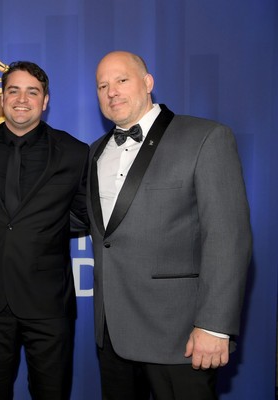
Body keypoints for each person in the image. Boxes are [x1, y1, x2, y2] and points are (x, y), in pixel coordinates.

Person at [88, 50, 252, 399]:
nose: (111, 91)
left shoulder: (205, 137)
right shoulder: (95, 151)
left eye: (121, 80)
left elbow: (228, 237)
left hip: (179, 337)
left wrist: (214, 327)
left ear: (148, 83)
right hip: (112, 335)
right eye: (102, 85)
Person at [0, 61, 89, 399]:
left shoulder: (74, 151)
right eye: (13, 90)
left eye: (32, 91)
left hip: (49, 302)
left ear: (46, 100)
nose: (22, 99)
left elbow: (85, 213)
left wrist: (43, 231)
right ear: (1, 98)